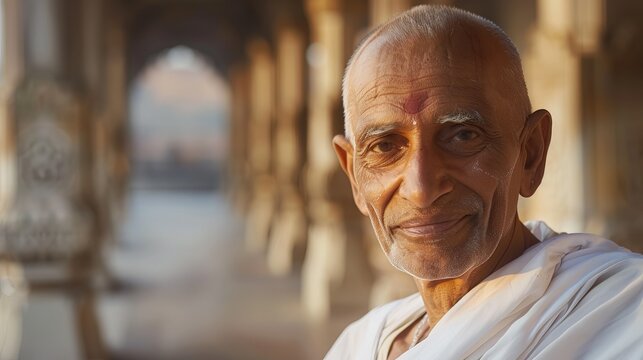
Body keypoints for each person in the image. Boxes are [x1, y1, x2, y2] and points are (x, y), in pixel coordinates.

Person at [326, 5, 643, 360]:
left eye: (462, 136)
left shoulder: (625, 318)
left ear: (531, 154)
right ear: (354, 175)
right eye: (385, 146)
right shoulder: (359, 345)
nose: (421, 188)